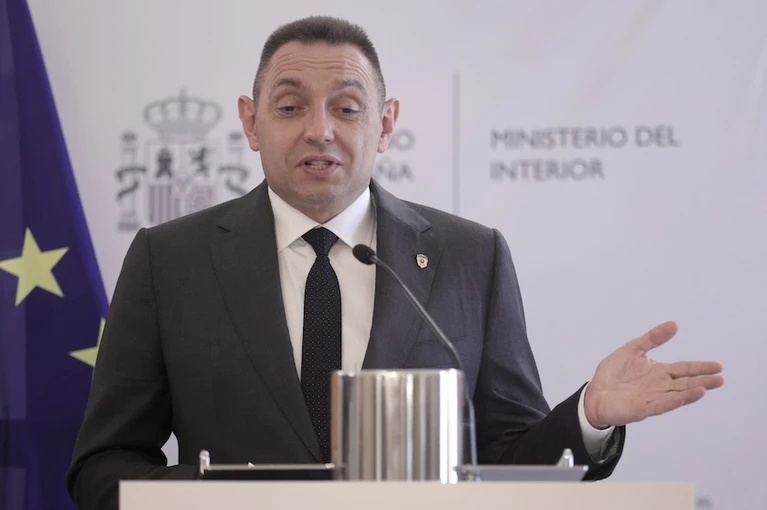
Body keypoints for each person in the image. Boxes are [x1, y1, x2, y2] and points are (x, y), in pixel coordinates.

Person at [66, 15, 724, 509]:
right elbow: (102, 467)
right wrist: (228, 498)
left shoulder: (472, 257)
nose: (319, 129)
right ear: (250, 121)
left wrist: (588, 416)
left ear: (384, 125)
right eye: (290, 106)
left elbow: (508, 461)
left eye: (347, 108)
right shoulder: (169, 260)